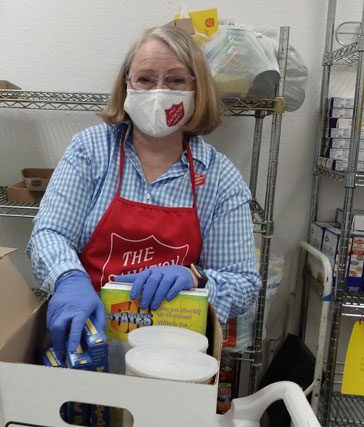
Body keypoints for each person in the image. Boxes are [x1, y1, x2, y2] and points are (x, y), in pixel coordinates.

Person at [27, 24, 261, 357]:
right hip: (87, 336)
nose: (158, 92)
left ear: (199, 90)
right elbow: (50, 232)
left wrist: (195, 277)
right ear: (126, 86)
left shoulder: (218, 176)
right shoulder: (91, 150)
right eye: (145, 79)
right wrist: (68, 279)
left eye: (177, 80)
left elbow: (243, 282)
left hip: (173, 353)